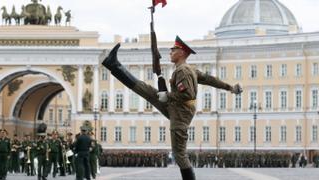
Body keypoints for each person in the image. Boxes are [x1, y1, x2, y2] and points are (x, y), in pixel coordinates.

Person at [102, 36, 242, 180]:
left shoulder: (183, 71)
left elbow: (188, 94)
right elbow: (210, 79)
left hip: (180, 112)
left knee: (179, 154)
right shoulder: (189, 69)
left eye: (173, 49)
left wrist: (168, 96)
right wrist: (229, 87)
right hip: (177, 108)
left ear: (181, 53)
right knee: (147, 91)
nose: (170, 51)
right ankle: (114, 65)